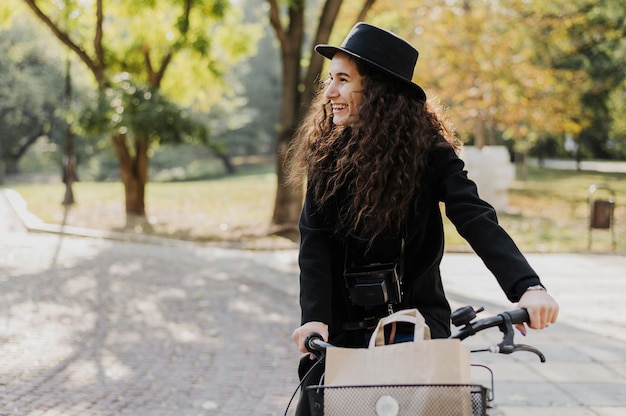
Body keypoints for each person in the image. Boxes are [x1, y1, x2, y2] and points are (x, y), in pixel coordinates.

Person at [287, 22, 559, 415]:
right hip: (341, 331)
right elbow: (313, 243)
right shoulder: (326, 155)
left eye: (343, 80)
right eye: (331, 80)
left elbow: (476, 218)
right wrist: (314, 319)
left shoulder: (430, 153)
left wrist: (528, 287)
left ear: (379, 90)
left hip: (416, 326)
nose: (330, 93)